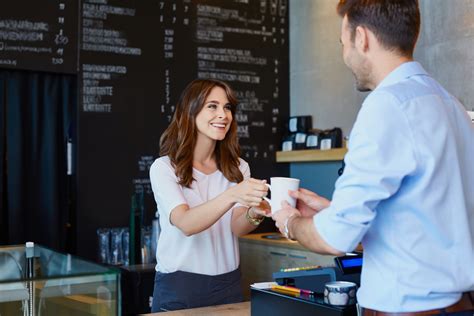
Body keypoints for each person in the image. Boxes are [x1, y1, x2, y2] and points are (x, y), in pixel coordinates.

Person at [272, 0, 474, 314]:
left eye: (343, 42)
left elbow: (333, 238)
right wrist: (332, 209)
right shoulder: (451, 105)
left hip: (404, 308)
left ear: (362, 38)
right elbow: (429, 215)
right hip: (459, 305)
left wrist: (289, 222)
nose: (345, 55)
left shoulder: (387, 106)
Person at [149, 79, 269, 312]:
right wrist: (233, 194)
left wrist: (255, 212)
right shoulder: (164, 167)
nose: (223, 115)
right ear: (190, 111)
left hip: (228, 283)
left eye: (227, 107)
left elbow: (236, 227)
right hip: (180, 284)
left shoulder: (238, 167)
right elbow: (186, 223)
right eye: (212, 106)